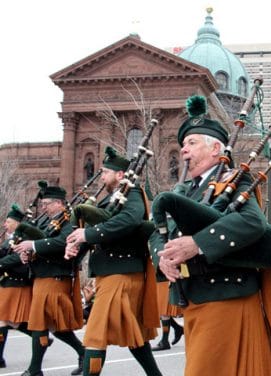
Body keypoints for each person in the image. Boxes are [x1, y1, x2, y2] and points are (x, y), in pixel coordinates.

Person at [150, 95, 271, 376]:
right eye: (183, 144)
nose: (183, 150)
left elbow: (251, 223)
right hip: (195, 297)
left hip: (226, 295)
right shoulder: (184, 192)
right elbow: (156, 232)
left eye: (192, 143)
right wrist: (163, 257)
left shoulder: (234, 179)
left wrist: (197, 244)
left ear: (216, 149)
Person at [65, 146, 162, 375]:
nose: (103, 175)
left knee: (95, 336)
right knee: (134, 335)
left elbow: (129, 221)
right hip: (113, 273)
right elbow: (102, 230)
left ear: (120, 175)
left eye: (106, 172)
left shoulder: (134, 193)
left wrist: (87, 234)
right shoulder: (110, 200)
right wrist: (77, 245)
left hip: (122, 273)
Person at [12, 185, 84, 376]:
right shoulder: (48, 222)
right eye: (42, 204)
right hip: (42, 277)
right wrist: (28, 254)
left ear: (59, 203)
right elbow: (42, 244)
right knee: (54, 325)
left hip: (55, 277)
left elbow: (62, 243)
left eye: (47, 204)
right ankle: (83, 352)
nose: (43, 207)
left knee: (40, 324)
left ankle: (35, 369)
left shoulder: (69, 222)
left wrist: (34, 244)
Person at [0, 204, 33, 368]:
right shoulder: (11, 237)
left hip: (17, 281)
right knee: (12, 321)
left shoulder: (24, 237)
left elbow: (17, 258)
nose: (5, 225)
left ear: (16, 222)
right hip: (7, 281)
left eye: (8, 221)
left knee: (3, 319)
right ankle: (39, 337)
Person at [150, 280, 184, 351]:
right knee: (162, 310)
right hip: (158, 279)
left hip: (164, 279)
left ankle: (165, 341)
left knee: (163, 311)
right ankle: (178, 329)